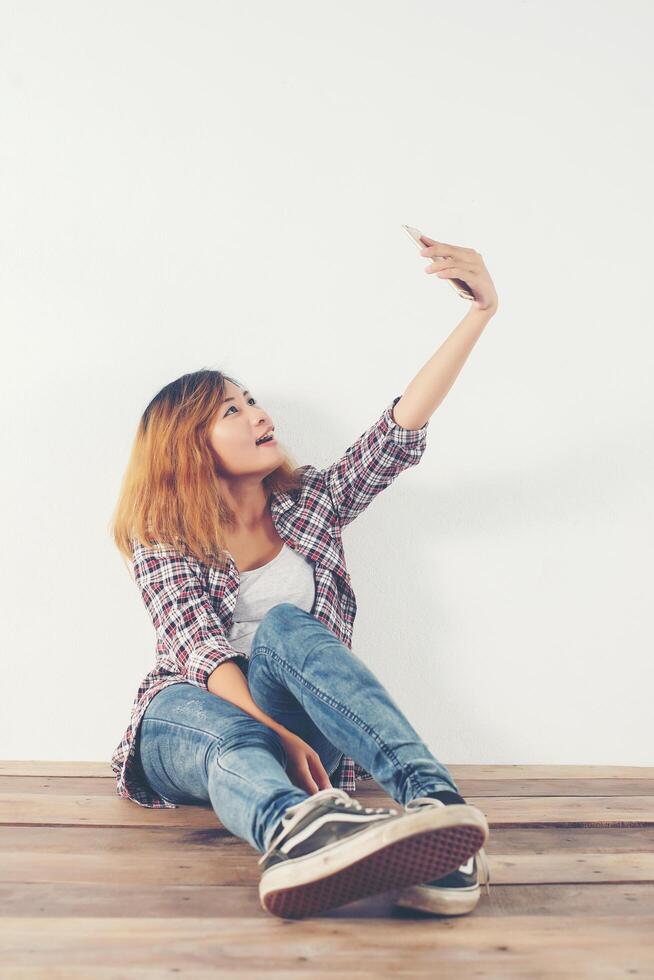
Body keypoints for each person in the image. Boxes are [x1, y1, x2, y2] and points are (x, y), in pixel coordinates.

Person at [109, 240, 499, 918]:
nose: (260, 414)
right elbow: (201, 654)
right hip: (190, 721)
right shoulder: (162, 536)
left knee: (292, 626)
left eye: (252, 400)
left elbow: (397, 433)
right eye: (232, 410)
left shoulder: (312, 502)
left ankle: (441, 817)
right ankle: (296, 831)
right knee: (235, 735)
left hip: (297, 731)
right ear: (187, 444)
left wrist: (480, 312)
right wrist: (280, 736)